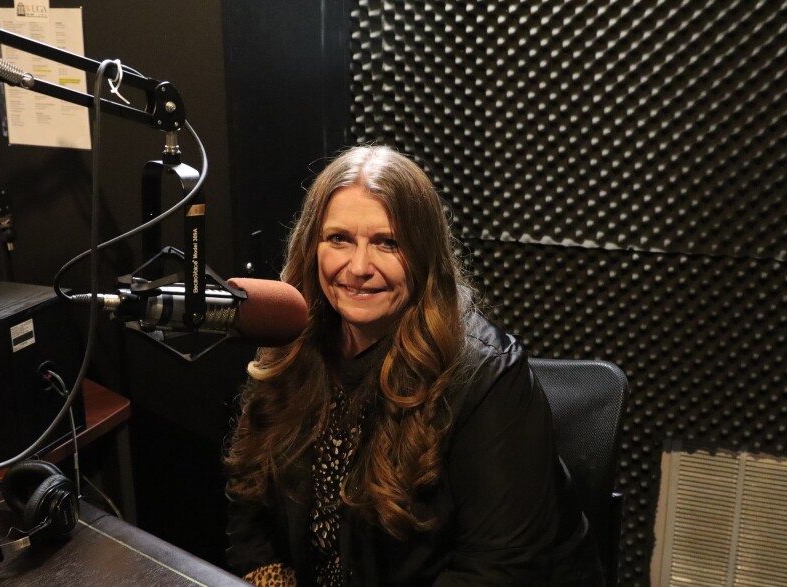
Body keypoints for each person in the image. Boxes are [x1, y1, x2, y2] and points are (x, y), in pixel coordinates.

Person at [223, 145, 604, 586]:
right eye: (339, 239)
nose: (358, 267)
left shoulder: (487, 377)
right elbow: (248, 492)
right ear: (312, 246)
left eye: (387, 243)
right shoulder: (292, 334)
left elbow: (498, 572)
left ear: (423, 254)